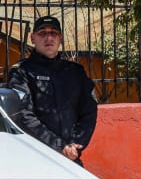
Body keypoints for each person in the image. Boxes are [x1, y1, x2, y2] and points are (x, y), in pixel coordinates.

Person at [7, 15, 98, 163]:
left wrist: (76, 143)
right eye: (42, 33)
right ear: (32, 38)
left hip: (71, 156)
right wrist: (59, 146)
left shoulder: (75, 72)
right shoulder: (22, 72)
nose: (49, 38)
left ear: (60, 38)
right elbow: (24, 115)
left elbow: (89, 111)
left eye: (54, 33)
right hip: (35, 157)